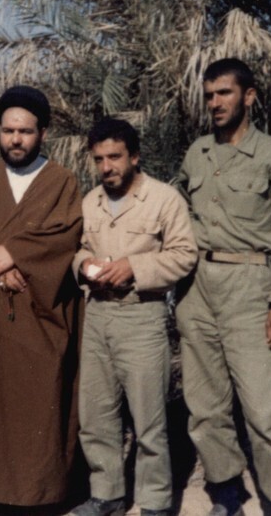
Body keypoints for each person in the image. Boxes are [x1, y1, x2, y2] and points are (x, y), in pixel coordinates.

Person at [176, 58, 271, 516]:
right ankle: (226, 494)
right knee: (205, 405)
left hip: (251, 288)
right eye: (209, 95)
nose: (215, 103)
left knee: (265, 408)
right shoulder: (197, 154)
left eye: (224, 93)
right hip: (197, 289)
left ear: (248, 96)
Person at [0, 85, 83, 514]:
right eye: (8, 131)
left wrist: (16, 254)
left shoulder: (61, 182)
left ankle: (38, 495)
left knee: (38, 400)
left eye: (25, 131)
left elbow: (66, 234)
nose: (16, 140)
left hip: (39, 312)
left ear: (42, 133)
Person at [71, 118, 197, 516]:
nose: (107, 167)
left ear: (135, 157)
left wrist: (134, 267)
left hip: (142, 316)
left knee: (149, 420)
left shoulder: (164, 199)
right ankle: (106, 495)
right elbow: (76, 248)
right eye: (99, 159)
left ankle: (155, 502)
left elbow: (184, 254)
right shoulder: (89, 202)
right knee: (96, 415)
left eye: (115, 157)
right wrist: (83, 264)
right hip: (97, 316)